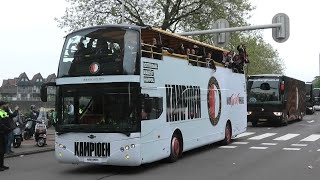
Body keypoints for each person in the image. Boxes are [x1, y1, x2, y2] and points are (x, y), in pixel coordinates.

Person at [0, 101, 11, 171]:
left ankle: (1, 165)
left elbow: (8, 116)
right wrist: (6, 128)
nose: (6, 106)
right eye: (4, 105)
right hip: (0, 132)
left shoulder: (3, 111)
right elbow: (1, 124)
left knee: (3, 150)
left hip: (4, 133)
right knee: (0, 150)